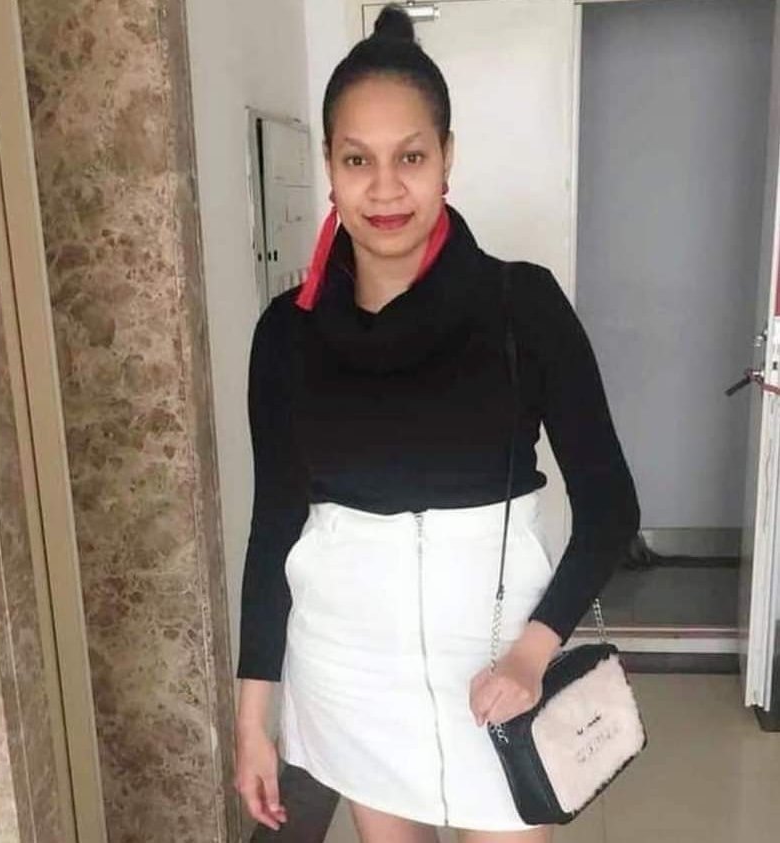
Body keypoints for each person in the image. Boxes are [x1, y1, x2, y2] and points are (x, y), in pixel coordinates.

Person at [233, 5, 640, 842]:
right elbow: (274, 525)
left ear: (447, 156)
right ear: (330, 164)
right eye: (358, 159)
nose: (385, 189)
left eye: (410, 157)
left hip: (495, 669)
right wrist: (251, 722)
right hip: (349, 675)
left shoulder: (522, 305)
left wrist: (533, 652)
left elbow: (611, 510)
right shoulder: (286, 334)